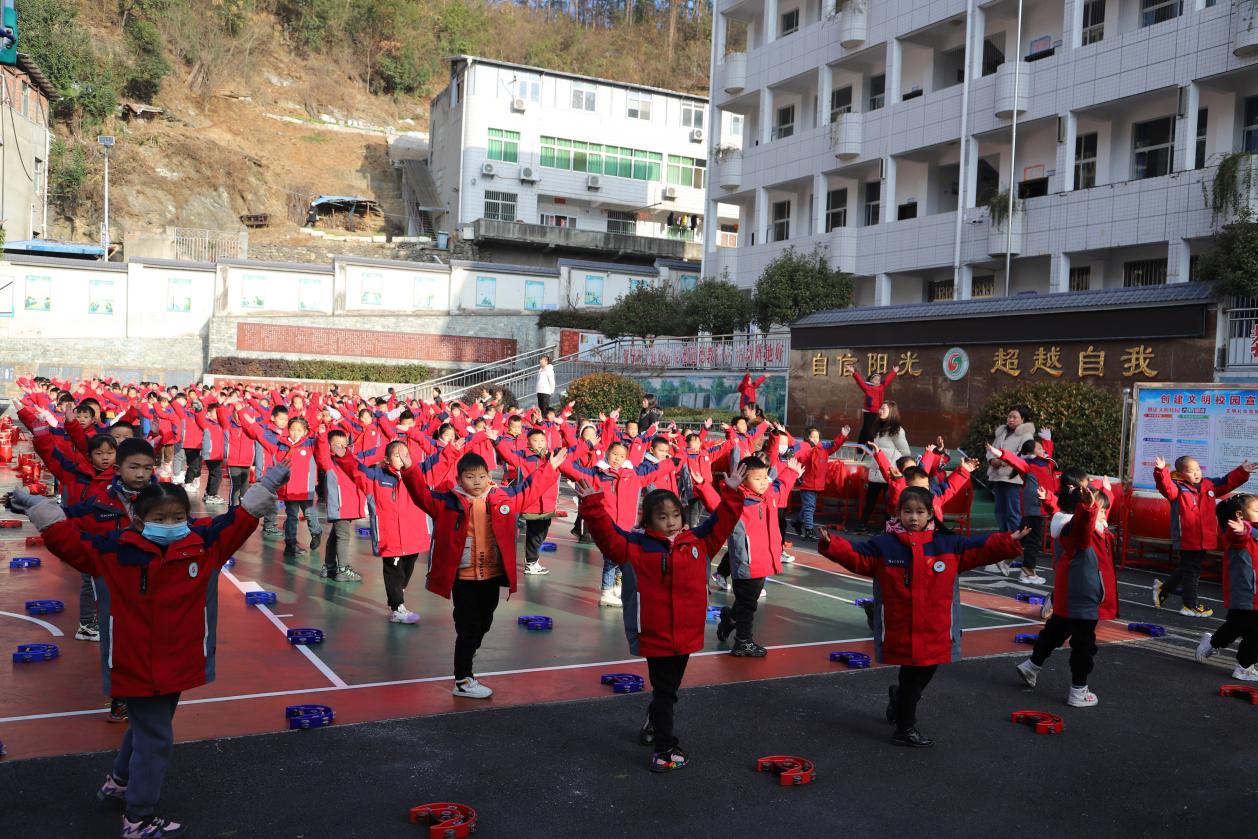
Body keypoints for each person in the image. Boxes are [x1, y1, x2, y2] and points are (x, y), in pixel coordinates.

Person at [10, 463, 288, 839]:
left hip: (180, 661)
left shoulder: (201, 549)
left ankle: (120, 782)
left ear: (188, 519)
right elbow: (67, 540)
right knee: (156, 739)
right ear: (138, 521)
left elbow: (238, 521)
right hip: (135, 663)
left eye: (177, 517)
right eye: (159, 517)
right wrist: (34, 505)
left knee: (147, 729)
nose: (170, 523)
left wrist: (269, 483)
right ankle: (138, 818)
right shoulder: (114, 553)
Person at [819, 487, 1027, 747]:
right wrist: (832, 545)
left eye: (920, 512)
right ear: (898, 514)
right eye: (907, 512)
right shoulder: (885, 544)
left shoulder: (948, 544)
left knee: (921, 677)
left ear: (931, 515)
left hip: (935, 628)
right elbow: (858, 558)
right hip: (902, 627)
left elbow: (981, 548)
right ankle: (905, 728)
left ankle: (899, 702)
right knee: (912, 680)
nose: (913, 518)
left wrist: (1009, 540)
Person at [576, 465, 745, 773]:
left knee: (668, 690)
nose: (670, 523)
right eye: (662, 517)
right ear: (649, 520)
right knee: (666, 692)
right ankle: (664, 750)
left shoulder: (698, 542)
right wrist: (592, 505)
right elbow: (605, 534)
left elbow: (724, 520)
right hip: (654, 635)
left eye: (675, 516)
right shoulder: (634, 547)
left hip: (687, 633)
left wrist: (732, 492)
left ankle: (653, 723)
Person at [401, 449, 564, 699]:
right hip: (463, 579)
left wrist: (549, 469)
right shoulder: (447, 503)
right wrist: (410, 468)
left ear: (489, 477)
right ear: (459, 480)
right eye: (469, 477)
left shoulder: (503, 499)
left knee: (484, 622)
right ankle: (463, 680)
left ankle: (469, 649)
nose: (476, 482)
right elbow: (420, 494)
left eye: (481, 476)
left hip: (491, 576)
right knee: (467, 628)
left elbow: (530, 490)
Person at [1015, 483, 1116, 708]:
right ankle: (1078, 690)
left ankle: (1032, 666)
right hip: (1084, 596)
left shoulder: (1086, 524)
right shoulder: (1078, 529)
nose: (1104, 514)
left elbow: (1093, 510)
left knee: (1055, 632)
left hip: (1073, 594)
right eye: (1100, 510)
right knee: (1083, 645)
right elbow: (1082, 523)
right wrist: (1088, 508)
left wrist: (1106, 491)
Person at [694, 454, 803, 657]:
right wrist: (703, 486)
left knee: (747, 600)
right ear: (743, 480)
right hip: (747, 561)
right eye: (757, 478)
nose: (763, 483)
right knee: (748, 604)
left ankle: (729, 619)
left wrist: (791, 473)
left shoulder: (769, 495)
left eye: (764, 478)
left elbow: (781, 487)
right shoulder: (738, 501)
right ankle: (743, 641)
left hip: (766, 560)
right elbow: (719, 506)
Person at [559, 441, 678, 607]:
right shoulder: (597, 474)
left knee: (623, 558)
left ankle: (616, 586)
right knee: (611, 559)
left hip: (627, 527)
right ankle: (606, 592)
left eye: (622, 456)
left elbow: (656, 471)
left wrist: (675, 461)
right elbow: (573, 470)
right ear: (607, 453)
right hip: (607, 526)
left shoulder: (633, 475)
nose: (617, 458)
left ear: (627, 457)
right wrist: (557, 459)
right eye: (615, 454)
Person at [1153, 454, 1256, 617]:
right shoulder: (1177, 488)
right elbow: (1164, 485)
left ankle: (1164, 589)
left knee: (1189, 567)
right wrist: (1161, 471)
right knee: (1192, 570)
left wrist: (1242, 471)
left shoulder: (1208, 485)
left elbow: (1226, 482)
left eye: (1197, 469)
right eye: (1191, 471)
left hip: (1205, 537)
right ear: (1180, 474)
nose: (1196, 473)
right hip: (1187, 537)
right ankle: (1190, 604)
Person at [1199, 494, 1258, 680]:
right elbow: (1237, 535)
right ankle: (1244, 667)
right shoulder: (1239, 535)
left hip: (1250, 595)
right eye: (1257, 511)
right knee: (1254, 632)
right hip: (1247, 595)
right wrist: (1242, 529)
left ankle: (1212, 643)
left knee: (1235, 627)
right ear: (1240, 515)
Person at [987, 430, 1056, 585]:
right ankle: (1027, 572)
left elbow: (1046, 452)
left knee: (1023, 538)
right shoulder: (1028, 464)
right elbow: (1012, 460)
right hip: (1035, 507)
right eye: (1039, 448)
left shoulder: (1045, 462)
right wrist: (997, 452)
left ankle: (1005, 560)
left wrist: (1047, 440)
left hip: (1040, 507)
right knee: (1032, 541)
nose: (1043, 450)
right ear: (1031, 452)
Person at [313, 427, 365, 582]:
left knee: (335, 536)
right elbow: (321, 453)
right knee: (343, 537)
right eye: (337, 444)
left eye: (344, 444)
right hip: (340, 507)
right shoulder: (329, 462)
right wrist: (322, 436)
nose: (341, 447)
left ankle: (329, 566)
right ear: (330, 446)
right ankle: (342, 569)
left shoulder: (350, 460)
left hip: (348, 507)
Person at [855, 402, 910, 532]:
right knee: (870, 500)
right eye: (880, 408)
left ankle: (887, 528)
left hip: (890, 472)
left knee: (889, 502)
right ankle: (863, 524)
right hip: (876, 470)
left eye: (884, 409)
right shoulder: (878, 429)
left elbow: (906, 453)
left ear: (892, 411)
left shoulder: (897, 431)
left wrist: (894, 466)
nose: (880, 411)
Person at [985, 406, 1036, 534]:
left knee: (1012, 511)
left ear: (1022, 419)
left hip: (1013, 477)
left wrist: (1001, 461)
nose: (1011, 419)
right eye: (1009, 417)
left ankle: (1014, 539)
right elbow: (991, 449)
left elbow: (1022, 454)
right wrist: (991, 460)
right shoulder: (1002, 432)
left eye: (1015, 417)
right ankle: (1003, 537)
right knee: (999, 510)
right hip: (997, 476)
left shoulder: (1027, 435)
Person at [793, 425, 849, 539]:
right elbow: (793, 458)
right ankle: (809, 530)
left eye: (817, 436)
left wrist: (843, 435)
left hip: (817, 484)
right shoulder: (803, 448)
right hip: (806, 483)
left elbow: (835, 444)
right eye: (812, 436)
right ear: (807, 437)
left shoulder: (824, 448)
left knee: (807, 507)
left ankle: (798, 522)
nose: (815, 439)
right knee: (810, 507)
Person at [852, 365, 897, 445]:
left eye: (879, 380)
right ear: (871, 380)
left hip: (877, 412)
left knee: (873, 430)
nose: (877, 381)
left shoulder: (881, 387)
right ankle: (861, 447)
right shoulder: (867, 387)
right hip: (868, 412)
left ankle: (869, 447)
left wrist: (894, 372)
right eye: (875, 379)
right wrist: (854, 372)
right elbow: (860, 381)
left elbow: (887, 380)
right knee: (867, 429)